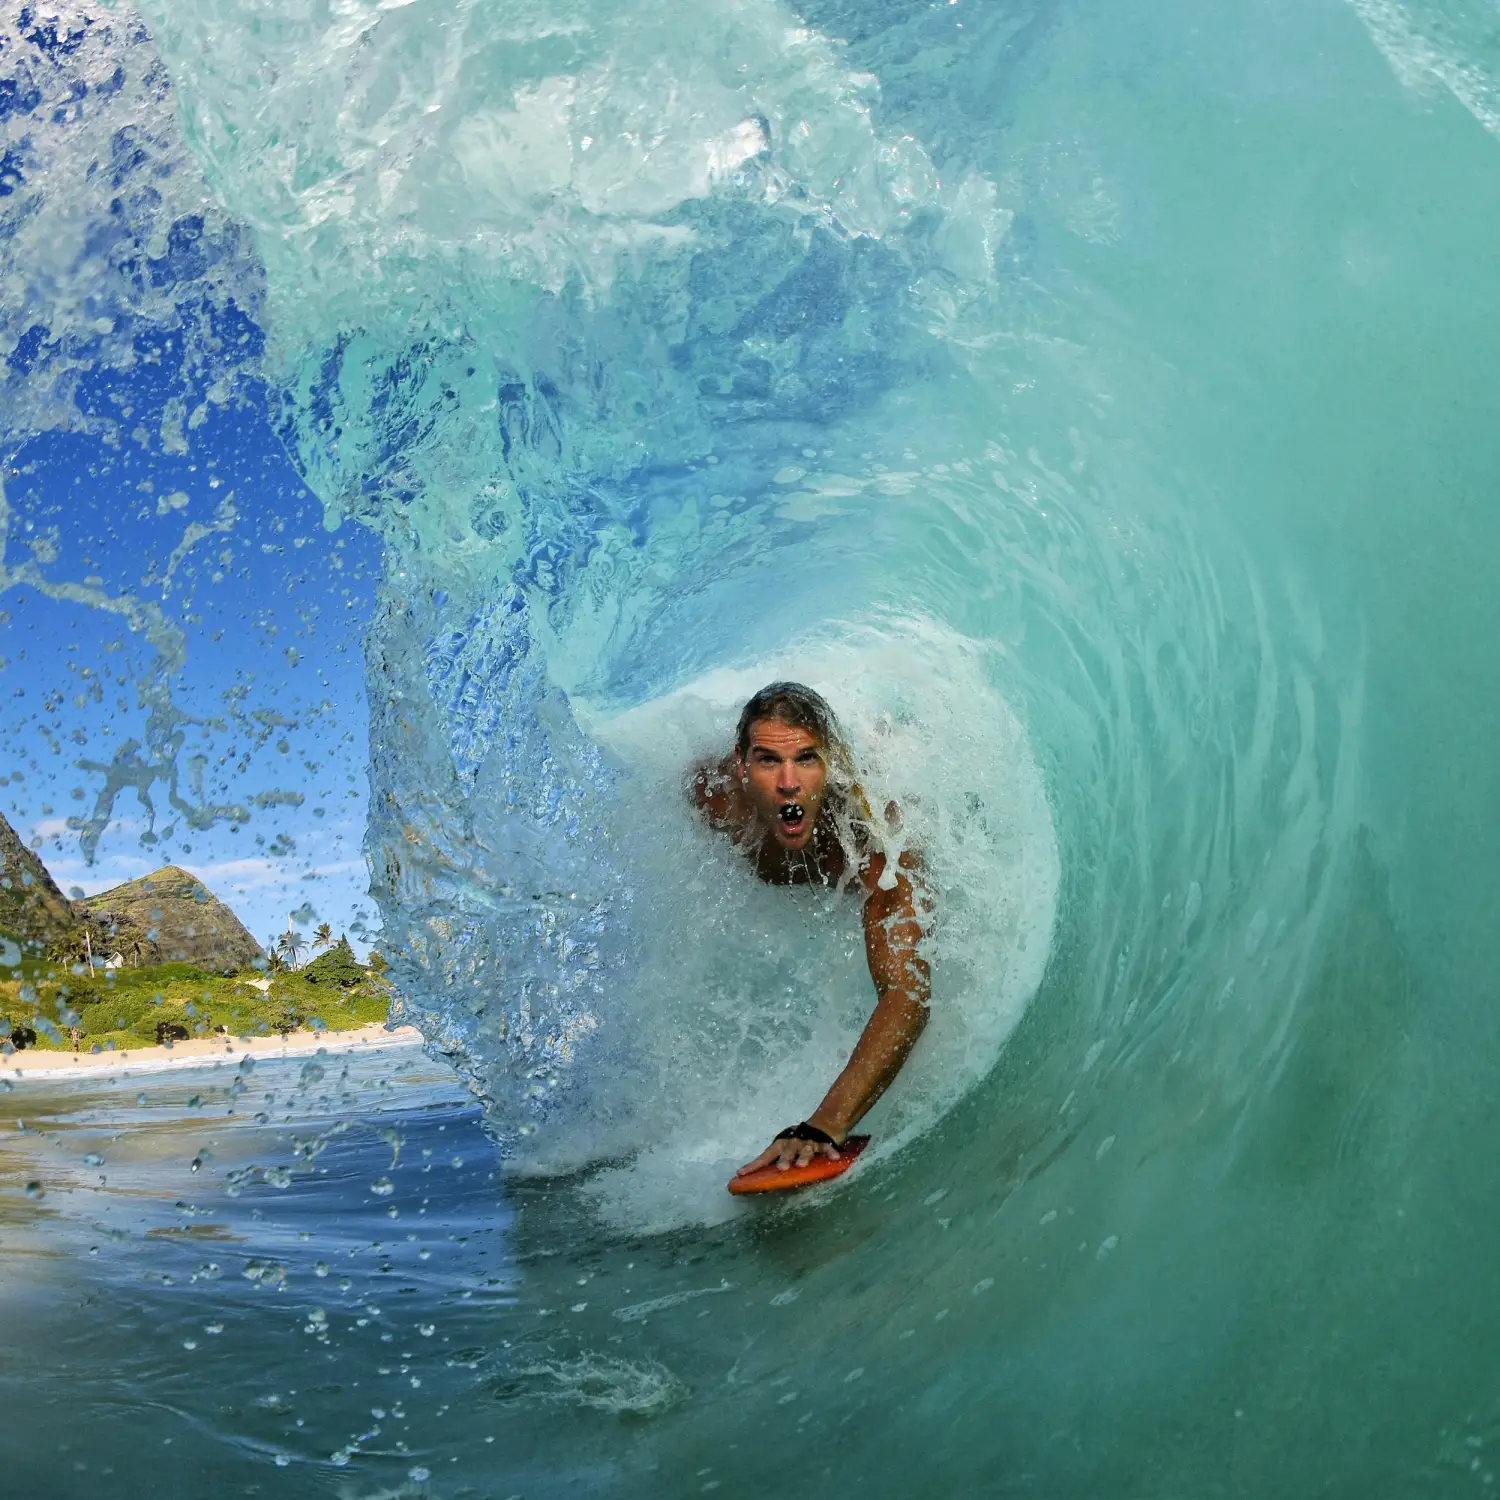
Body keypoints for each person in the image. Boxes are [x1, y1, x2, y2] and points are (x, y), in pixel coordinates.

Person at [690, 682, 931, 1177]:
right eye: (767, 761)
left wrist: (825, 1125)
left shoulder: (874, 836)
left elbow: (907, 992)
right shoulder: (714, 802)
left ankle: (881, 735)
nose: (788, 783)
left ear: (831, 764)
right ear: (741, 765)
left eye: (806, 759)